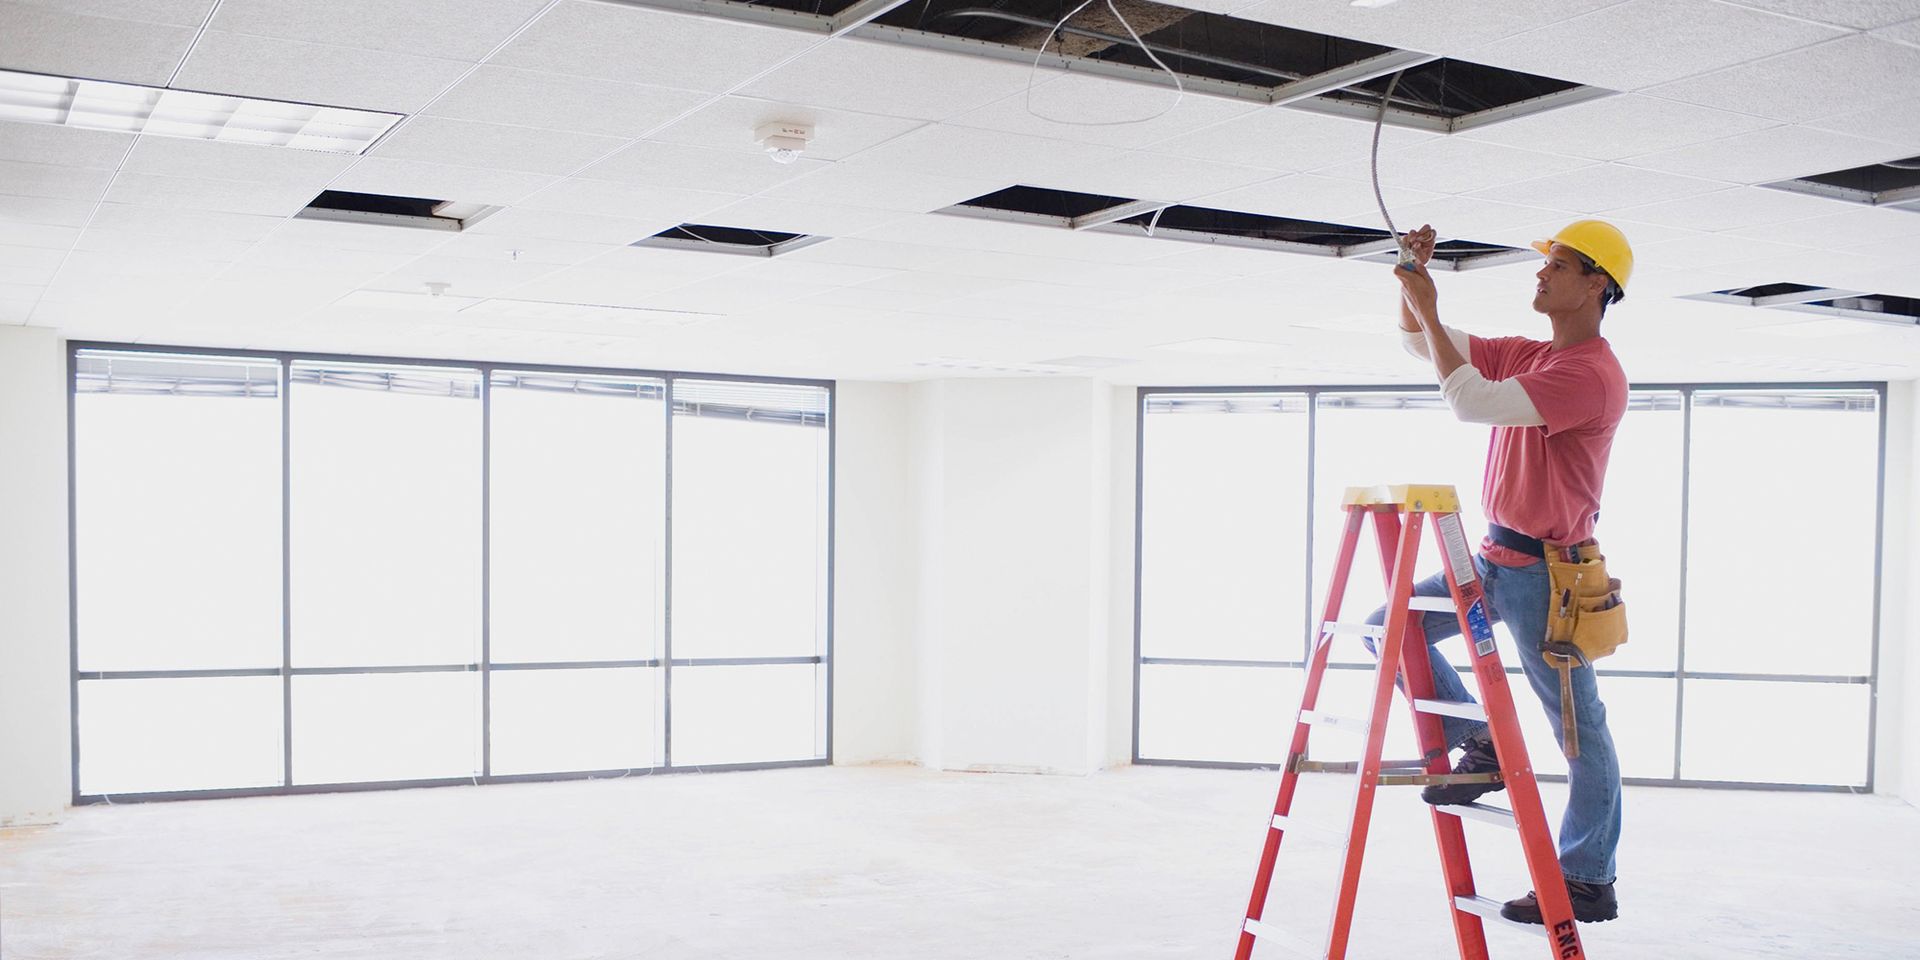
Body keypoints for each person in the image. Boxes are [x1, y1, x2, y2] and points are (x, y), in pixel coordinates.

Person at [1373, 219, 1633, 924]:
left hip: (1548, 580)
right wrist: (1409, 274)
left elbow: (1468, 402)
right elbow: (1416, 343)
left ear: (1597, 285)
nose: (1541, 274)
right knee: (1385, 632)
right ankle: (1480, 743)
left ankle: (1587, 877)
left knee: (1579, 732)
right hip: (1491, 560)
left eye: (1560, 265)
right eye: (1544, 263)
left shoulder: (1591, 375)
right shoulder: (1532, 354)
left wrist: (1428, 302)